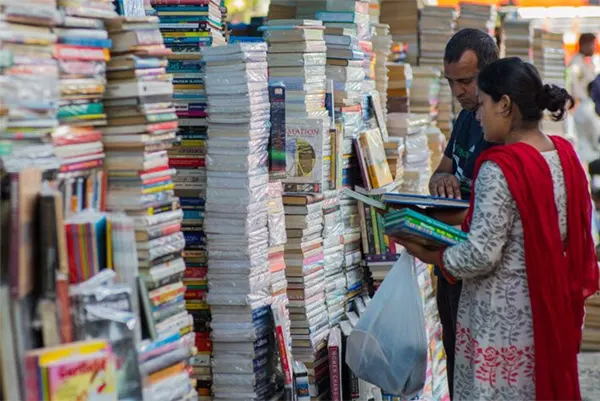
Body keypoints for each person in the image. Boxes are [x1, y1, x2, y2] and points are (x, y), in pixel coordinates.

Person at [397, 57, 599, 400]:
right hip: (547, 311)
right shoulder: (564, 155)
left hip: (501, 320)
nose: (478, 115)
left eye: (484, 104)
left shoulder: (500, 168)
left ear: (504, 105)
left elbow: (480, 255)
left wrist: (431, 254)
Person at [427, 28, 499, 398]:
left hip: (481, 273)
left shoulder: (500, 125)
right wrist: (442, 182)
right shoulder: (467, 119)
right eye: (451, 82)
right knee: (458, 369)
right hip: (451, 266)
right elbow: (441, 169)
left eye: (465, 82)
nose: (457, 92)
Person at [569, 33, 600, 104]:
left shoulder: (587, 60)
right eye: (593, 44)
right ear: (584, 45)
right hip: (582, 103)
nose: (595, 47)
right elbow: (574, 84)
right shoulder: (576, 62)